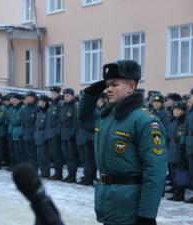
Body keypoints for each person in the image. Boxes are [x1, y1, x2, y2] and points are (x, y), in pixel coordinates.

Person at [79, 60, 167, 225]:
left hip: (130, 205)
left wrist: (147, 215)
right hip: (108, 199)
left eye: (114, 84)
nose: (109, 89)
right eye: (107, 85)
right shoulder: (106, 117)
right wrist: (90, 94)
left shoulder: (145, 121)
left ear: (131, 87)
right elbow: (84, 119)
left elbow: (155, 171)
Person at [183, 87, 193, 205]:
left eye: (192, 96)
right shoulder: (191, 110)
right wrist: (183, 142)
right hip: (189, 143)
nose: (190, 98)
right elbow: (185, 128)